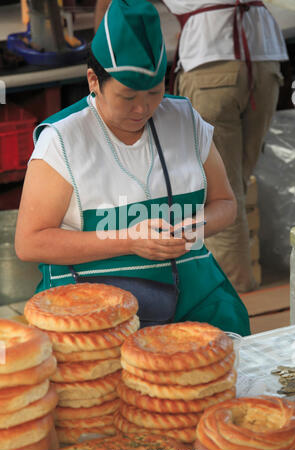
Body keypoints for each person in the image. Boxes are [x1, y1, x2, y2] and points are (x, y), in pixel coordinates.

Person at [15, 0, 250, 336]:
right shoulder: (63, 139)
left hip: (193, 293)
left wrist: (190, 230)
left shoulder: (184, 119)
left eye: (155, 93)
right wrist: (127, 241)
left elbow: (225, 204)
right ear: (93, 80)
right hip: (92, 304)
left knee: (225, 347)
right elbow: (30, 242)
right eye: (127, 97)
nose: (143, 108)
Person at [160, 0, 289, 293]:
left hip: (209, 62)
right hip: (264, 59)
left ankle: (235, 299)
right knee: (236, 187)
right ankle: (241, 289)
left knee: (220, 195)